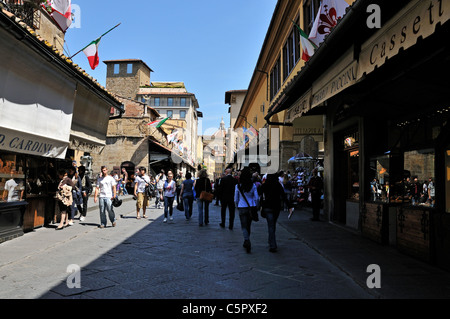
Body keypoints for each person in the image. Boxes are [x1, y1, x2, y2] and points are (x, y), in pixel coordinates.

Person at [259, 173, 289, 252]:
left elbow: (259, 193)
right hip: (276, 207)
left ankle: (272, 243)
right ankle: (271, 241)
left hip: (267, 207)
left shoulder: (265, 185)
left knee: (271, 225)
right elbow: (283, 196)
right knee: (273, 224)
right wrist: (289, 205)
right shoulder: (277, 185)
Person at [234, 167, 259, 253]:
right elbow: (257, 198)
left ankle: (246, 240)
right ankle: (247, 239)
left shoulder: (238, 186)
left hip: (242, 207)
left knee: (244, 226)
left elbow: (235, 199)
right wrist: (256, 206)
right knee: (248, 225)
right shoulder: (253, 185)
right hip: (251, 207)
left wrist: (237, 205)